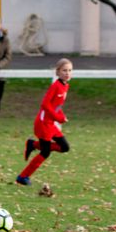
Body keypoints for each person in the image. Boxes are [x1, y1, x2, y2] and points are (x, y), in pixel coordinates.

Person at [16, 58, 72, 186]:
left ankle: (33, 144)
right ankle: (23, 176)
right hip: (43, 124)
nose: (67, 73)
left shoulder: (65, 85)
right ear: (57, 72)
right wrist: (58, 118)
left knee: (65, 147)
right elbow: (45, 104)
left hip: (50, 124)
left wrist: (62, 117)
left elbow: (57, 106)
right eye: (64, 70)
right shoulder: (55, 86)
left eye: (69, 70)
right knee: (45, 152)